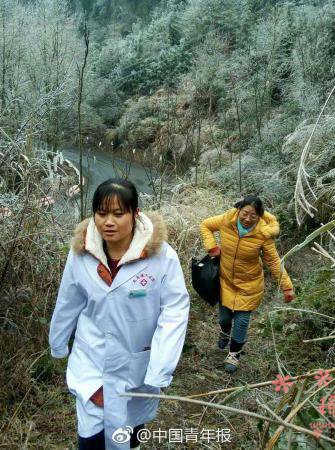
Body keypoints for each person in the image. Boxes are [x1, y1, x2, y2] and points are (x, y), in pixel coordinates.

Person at [49, 178, 190, 450]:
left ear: (135, 214)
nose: (108, 222)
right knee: (90, 436)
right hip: (91, 360)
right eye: (101, 213)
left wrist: (161, 368)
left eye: (118, 213)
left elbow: (174, 311)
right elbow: (68, 300)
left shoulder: (161, 257)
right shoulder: (81, 253)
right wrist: (58, 341)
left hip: (136, 364)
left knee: (130, 430)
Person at [199, 195, 294, 373]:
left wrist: (287, 287)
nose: (248, 219)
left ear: (260, 216)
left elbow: (273, 261)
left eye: (253, 216)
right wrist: (212, 247)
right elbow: (205, 225)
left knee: (241, 321)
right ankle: (225, 331)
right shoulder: (227, 219)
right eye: (245, 213)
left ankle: (234, 354)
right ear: (239, 210)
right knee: (225, 318)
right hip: (226, 279)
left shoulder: (263, 234)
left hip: (249, 285)